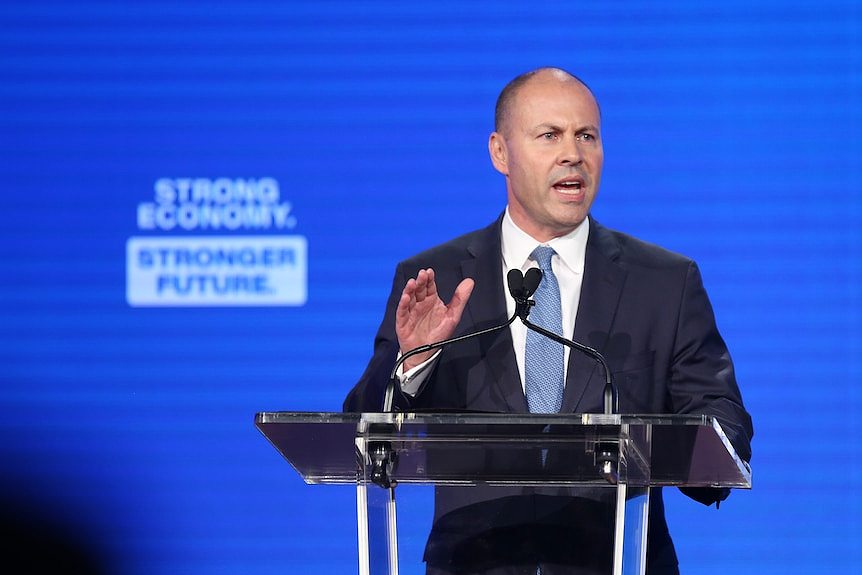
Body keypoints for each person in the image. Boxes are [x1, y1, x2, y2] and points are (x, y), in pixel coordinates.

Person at [344, 67, 753, 575]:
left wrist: (683, 451)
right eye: (549, 135)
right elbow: (360, 431)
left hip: (616, 560)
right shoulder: (437, 278)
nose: (573, 154)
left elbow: (725, 421)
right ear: (500, 153)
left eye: (587, 136)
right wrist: (414, 363)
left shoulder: (665, 282)